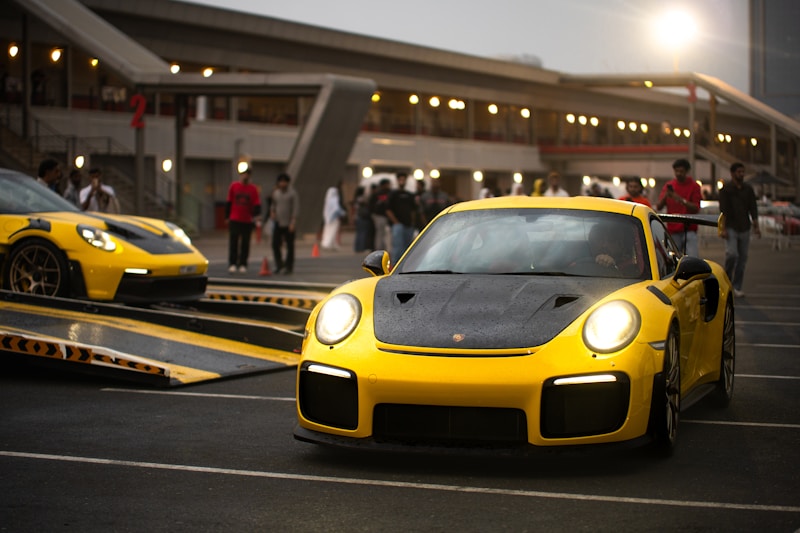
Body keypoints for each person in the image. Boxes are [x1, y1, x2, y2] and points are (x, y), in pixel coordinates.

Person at [719, 162, 760, 297]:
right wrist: (723, 228)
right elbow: (723, 210)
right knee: (732, 254)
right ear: (732, 173)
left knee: (742, 259)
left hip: (744, 227)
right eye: (739, 172)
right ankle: (726, 280)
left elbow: (753, 208)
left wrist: (756, 225)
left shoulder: (748, 189)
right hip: (731, 226)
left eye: (743, 172)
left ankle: (736, 286)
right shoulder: (726, 190)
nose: (741, 174)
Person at [656, 158, 702, 257]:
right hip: (673, 230)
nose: (678, 174)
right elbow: (658, 206)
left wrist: (680, 199)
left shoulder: (694, 186)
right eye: (676, 171)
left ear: (687, 171)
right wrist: (666, 196)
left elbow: (696, 208)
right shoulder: (669, 186)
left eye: (681, 171)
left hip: (689, 229)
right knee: (674, 258)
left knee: (692, 257)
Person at [225, 168, 261, 273]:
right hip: (235, 218)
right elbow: (229, 201)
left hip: (247, 220)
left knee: (245, 243)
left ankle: (243, 263)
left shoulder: (253, 188)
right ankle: (232, 263)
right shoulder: (234, 186)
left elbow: (256, 203)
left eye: (247, 175)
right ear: (241, 175)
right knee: (234, 242)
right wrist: (227, 217)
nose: (245, 176)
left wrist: (256, 216)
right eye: (244, 174)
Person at [270, 172, 299, 274]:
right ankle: (279, 264)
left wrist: (293, 222)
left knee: (290, 246)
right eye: (281, 181)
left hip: (288, 223)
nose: (282, 183)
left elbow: (295, 209)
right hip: (278, 222)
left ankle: (288, 266)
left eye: (284, 181)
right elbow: (273, 205)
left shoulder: (292, 193)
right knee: (275, 244)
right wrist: (272, 212)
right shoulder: (276, 193)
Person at [386, 172, 417, 261]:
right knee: (398, 247)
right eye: (400, 179)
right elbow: (388, 209)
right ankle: (395, 264)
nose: (402, 181)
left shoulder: (409, 195)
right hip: (398, 225)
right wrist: (395, 222)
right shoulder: (393, 194)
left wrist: (412, 222)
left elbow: (413, 210)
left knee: (408, 247)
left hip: (408, 225)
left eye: (403, 179)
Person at [369, 178, 392, 250]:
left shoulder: (390, 192)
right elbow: (371, 206)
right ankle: (379, 248)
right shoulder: (377, 194)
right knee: (380, 233)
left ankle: (385, 248)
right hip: (379, 216)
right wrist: (373, 215)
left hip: (388, 216)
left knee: (386, 233)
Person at [320, 182, 345, 250]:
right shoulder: (334, 199)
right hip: (334, 218)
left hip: (328, 218)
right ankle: (328, 243)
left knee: (328, 231)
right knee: (333, 231)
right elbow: (336, 209)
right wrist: (342, 213)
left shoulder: (327, 200)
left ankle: (330, 244)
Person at [352, 186, 374, 252]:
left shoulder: (356, 199)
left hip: (358, 217)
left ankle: (357, 247)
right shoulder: (362, 199)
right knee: (363, 233)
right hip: (363, 217)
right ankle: (361, 247)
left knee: (359, 233)